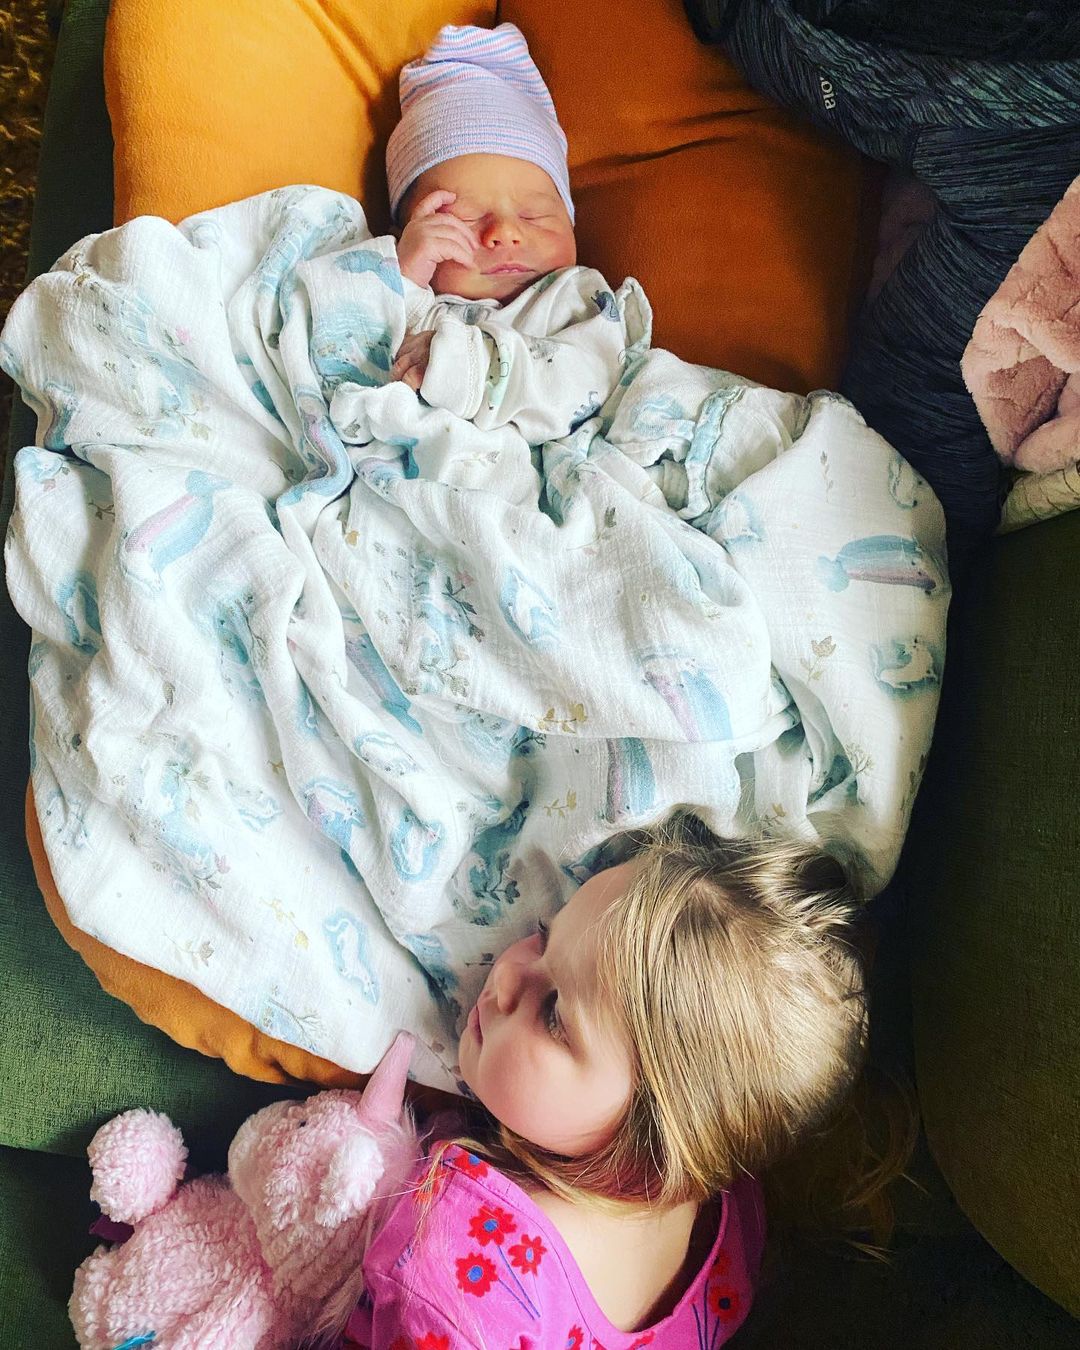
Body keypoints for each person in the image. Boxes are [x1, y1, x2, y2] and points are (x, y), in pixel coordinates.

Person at [343, 811, 891, 1348]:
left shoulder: (457, 1280)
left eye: (554, 1014)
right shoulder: (735, 1224)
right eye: (543, 938)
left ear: (651, 1145)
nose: (506, 974)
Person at [383, 22, 649, 446]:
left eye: (534, 215)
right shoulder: (412, 297)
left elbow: (587, 380)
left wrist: (472, 367)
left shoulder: (574, 298)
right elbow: (353, 350)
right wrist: (401, 277)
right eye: (466, 217)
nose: (505, 232)